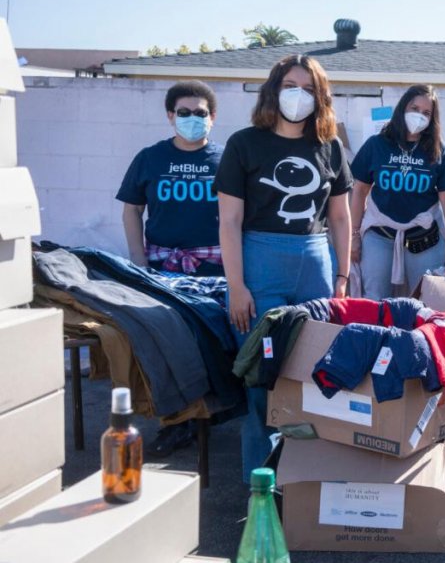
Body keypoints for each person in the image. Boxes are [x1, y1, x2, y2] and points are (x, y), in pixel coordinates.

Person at [214, 54, 353, 482]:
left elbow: (342, 218)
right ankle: (260, 480)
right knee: (262, 375)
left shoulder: (330, 147)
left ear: (321, 97)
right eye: (291, 85)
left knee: (313, 374)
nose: (299, 96)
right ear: (274, 90)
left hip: (314, 266)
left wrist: (343, 278)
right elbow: (230, 221)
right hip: (260, 264)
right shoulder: (244, 144)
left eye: (309, 89)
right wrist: (236, 285)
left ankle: (306, 476)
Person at [349, 84, 445, 299]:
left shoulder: (439, 149)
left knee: (423, 300)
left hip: (424, 238)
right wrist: (354, 235)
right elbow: (359, 191)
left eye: (426, 112)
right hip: (379, 234)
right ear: (403, 109)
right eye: (414, 108)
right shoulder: (376, 145)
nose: (419, 115)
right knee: (374, 299)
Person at [117, 80, 224, 277]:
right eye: (184, 113)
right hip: (159, 266)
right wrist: (138, 261)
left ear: (212, 117)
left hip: (217, 268)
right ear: (171, 116)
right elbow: (132, 210)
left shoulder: (227, 160)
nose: (193, 118)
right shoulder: (149, 157)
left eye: (201, 113)